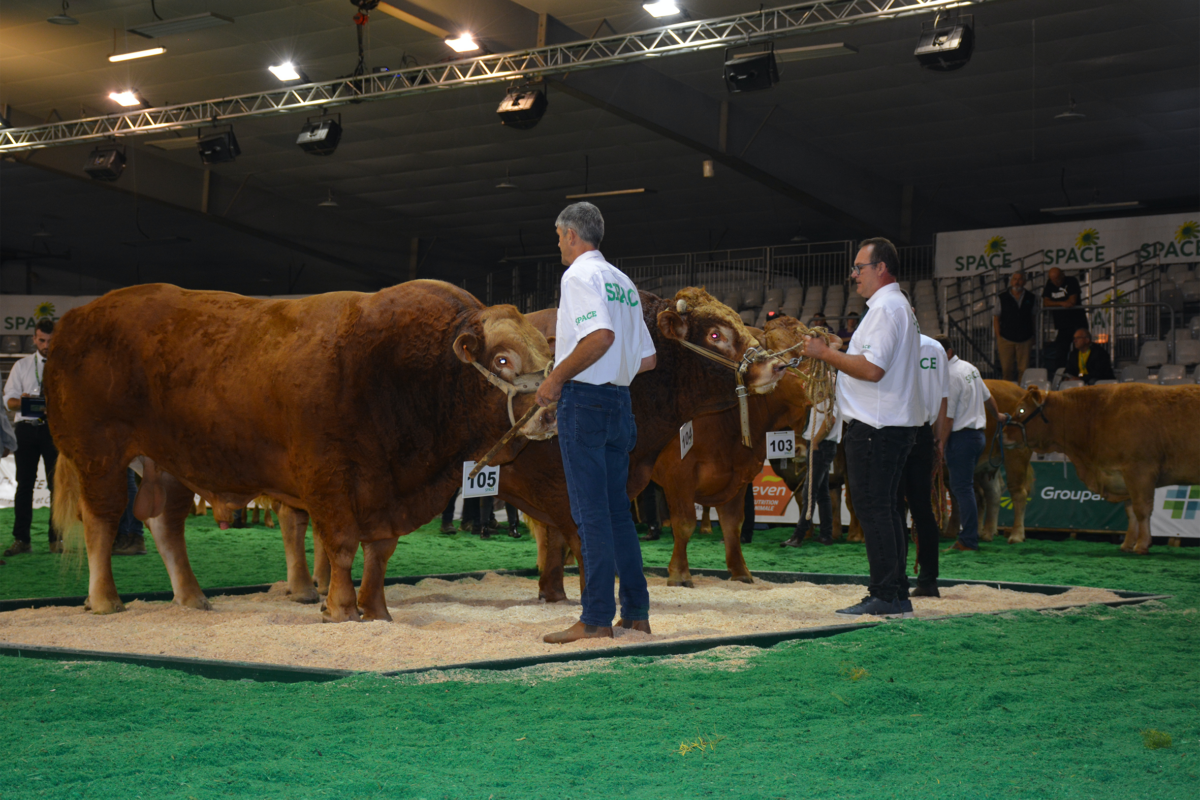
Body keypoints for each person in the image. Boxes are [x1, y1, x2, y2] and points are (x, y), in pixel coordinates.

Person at [537, 202, 657, 643]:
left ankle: (595, 618)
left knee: (591, 516)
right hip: (620, 403)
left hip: (585, 402)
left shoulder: (578, 276)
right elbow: (647, 359)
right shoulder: (623, 281)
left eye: (558, 237)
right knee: (616, 513)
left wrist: (557, 376)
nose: (559, 245)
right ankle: (637, 613)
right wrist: (612, 373)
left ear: (571, 234)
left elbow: (600, 336)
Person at [800, 237, 924, 618]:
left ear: (881, 268)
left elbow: (872, 370)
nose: (854, 274)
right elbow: (871, 361)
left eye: (860, 267)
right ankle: (896, 592)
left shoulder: (886, 308)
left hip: (876, 426)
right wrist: (843, 348)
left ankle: (885, 594)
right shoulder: (893, 307)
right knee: (885, 509)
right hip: (887, 424)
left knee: (873, 510)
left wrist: (826, 354)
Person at [941, 337, 1008, 552]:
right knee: (966, 487)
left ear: (948, 353)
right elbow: (988, 397)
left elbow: (948, 419)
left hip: (961, 437)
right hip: (977, 436)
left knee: (962, 488)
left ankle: (968, 540)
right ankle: (970, 535)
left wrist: (940, 444)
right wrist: (996, 416)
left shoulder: (950, 376)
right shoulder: (969, 368)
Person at [3, 318, 59, 556]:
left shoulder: (65, 367)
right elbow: (9, 401)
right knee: (24, 485)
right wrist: (27, 404)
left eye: (50, 340)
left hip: (54, 430)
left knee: (57, 486)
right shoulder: (22, 366)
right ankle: (21, 539)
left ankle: (57, 540)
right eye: (42, 340)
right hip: (26, 429)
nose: (46, 344)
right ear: (35, 339)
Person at [901, 335, 950, 597]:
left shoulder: (891, 340)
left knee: (892, 508)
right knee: (922, 510)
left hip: (894, 431)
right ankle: (928, 580)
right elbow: (943, 399)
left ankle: (895, 580)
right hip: (923, 432)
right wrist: (939, 439)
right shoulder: (935, 347)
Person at [780, 400, 841, 547]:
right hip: (822, 443)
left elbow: (830, 420)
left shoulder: (827, 391)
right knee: (822, 492)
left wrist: (814, 442)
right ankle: (826, 535)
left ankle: (798, 536)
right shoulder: (823, 393)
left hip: (820, 444)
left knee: (809, 491)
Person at [1041, 267, 1088, 379]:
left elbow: (1071, 301)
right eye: (1053, 280)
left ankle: (1081, 376)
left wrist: (1055, 303)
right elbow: (1046, 303)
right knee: (1060, 353)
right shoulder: (1050, 284)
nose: (1055, 282)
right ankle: (1060, 377)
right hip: (1062, 325)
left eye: (1057, 279)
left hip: (1077, 322)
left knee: (1079, 351)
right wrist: (1062, 303)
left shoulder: (1071, 281)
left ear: (1062, 275)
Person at [993, 270, 1037, 383]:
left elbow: (1033, 318)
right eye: (1015, 279)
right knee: (1007, 369)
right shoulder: (1002, 297)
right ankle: (1008, 393)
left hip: (1025, 338)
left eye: (1020, 279)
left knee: (1024, 369)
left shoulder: (1031, 297)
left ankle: (1021, 393)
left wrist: (1033, 335)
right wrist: (998, 337)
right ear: (1011, 281)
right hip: (1006, 338)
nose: (1017, 282)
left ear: (1025, 281)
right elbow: (996, 318)